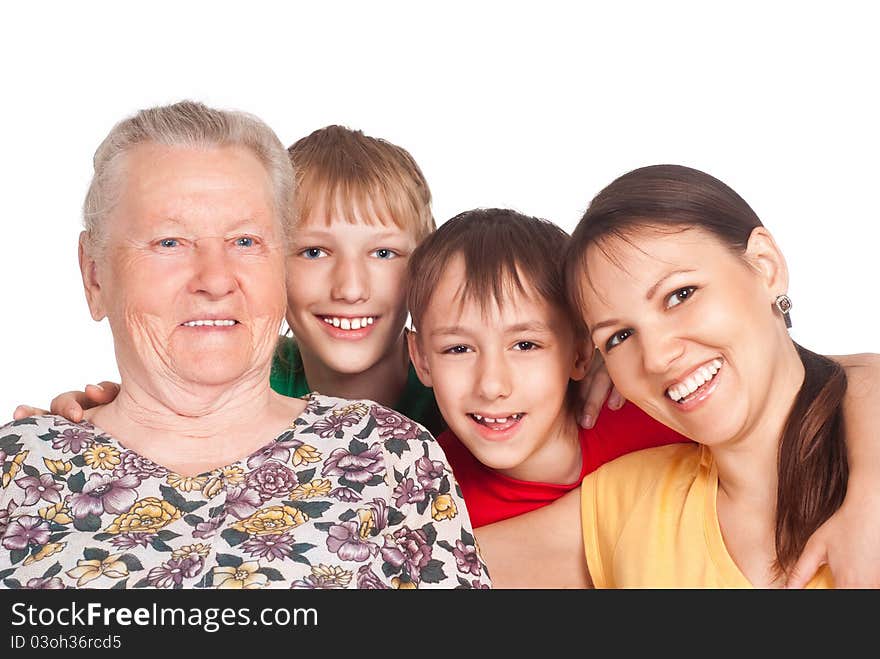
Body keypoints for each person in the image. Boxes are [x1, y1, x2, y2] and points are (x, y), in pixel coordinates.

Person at [0, 101, 488, 589]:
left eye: (246, 241)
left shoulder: (396, 451)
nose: (214, 280)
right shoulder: (21, 465)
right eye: (169, 241)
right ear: (94, 274)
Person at [480, 164, 880, 588]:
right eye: (619, 336)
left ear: (764, 265)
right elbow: (425, 566)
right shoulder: (626, 505)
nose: (655, 357)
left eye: (680, 295)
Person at [405, 209, 688, 530]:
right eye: (458, 349)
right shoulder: (428, 505)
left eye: (525, 345)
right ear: (422, 359)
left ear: (581, 352)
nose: (492, 385)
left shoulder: (661, 416)